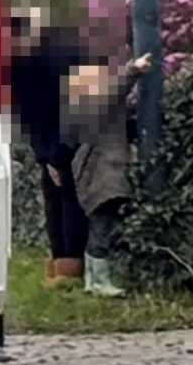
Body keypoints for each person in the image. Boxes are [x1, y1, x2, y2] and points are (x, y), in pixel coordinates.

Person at [4, 0, 87, 285]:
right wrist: (45, 157)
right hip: (49, 143)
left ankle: (72, 265)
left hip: (73, 142)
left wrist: (57, 156)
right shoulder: (21, 68)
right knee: (55, 200)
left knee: (69, 199)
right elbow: (30, 119)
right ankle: (61, 263)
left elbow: (75, 113)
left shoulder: (61, 60)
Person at [62, 45, 151, 297]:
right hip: (102, 172)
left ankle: (94, 281)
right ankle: (100, 281)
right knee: (103, 225)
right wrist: (133, 69)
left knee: (99, 224)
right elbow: (113, 92)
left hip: (95, 171)